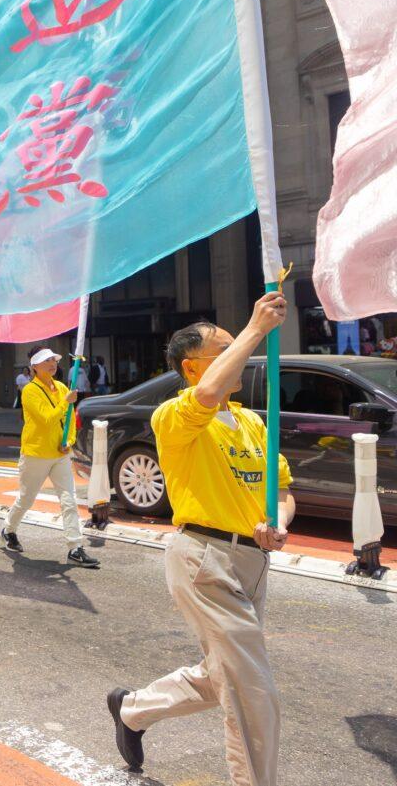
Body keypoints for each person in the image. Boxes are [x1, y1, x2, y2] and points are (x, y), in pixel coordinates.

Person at [108, 293, 294, 786]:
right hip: (204, 559)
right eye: (228, 348)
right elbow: (208, 396)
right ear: (192, 368)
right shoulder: (173, 416)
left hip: (253, 564)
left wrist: (279, 522)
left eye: (242, 346)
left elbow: (281, 489)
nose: (243, 355)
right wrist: (255, 327)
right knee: (253, 692)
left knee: (225, 678)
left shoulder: (253, 422)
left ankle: (132, 710)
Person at [1, 348, 99, 568]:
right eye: (46, 360)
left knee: (69, 500)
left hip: (60, 455)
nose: (52, 363)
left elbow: (70, 419)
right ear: (34, 367)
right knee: (26, 498)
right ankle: (9, 529)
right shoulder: (29, 391)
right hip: (36, 454)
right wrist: (65, 402)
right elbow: (46, 418)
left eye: (54, 359)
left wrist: (70, 441)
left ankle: (75, 547)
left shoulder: (62, 387)